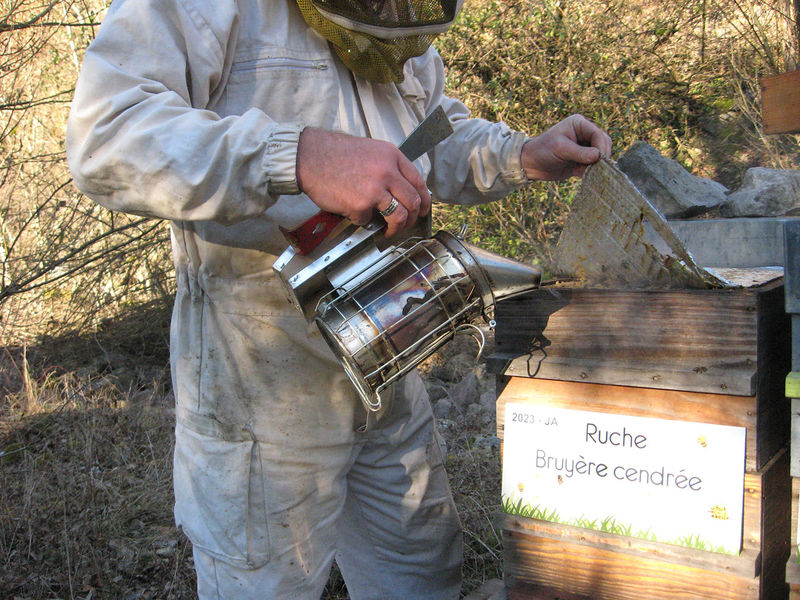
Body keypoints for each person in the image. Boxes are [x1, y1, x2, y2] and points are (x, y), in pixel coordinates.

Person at [66, 0, 612, 597]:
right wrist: (294, 155)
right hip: (259, 373)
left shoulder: (395, 15)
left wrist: (522, 154)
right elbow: (107, 136)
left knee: (422, 570)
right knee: (267, 584)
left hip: (389, 339)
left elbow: (428, 134)